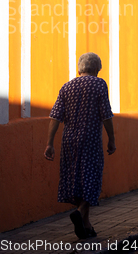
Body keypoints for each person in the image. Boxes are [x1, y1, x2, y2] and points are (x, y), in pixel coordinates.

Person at [44, 52, 116, 240]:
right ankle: (80, 211)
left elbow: (55, 117)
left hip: (69, 140)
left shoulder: (67, 87)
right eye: (99, 70)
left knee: (75, 179)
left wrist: (50, 143)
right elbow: (106, 114)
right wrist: (112, 138)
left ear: (79, 68)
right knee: (92, 178)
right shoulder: (99, 84)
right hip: (90, 139)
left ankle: (86, 225)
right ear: (95, 69)